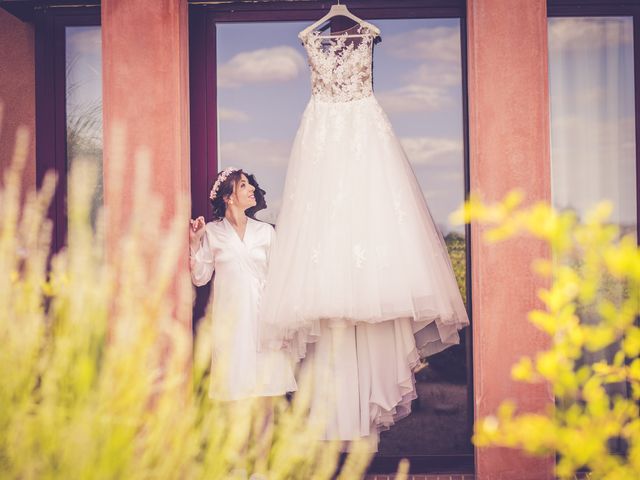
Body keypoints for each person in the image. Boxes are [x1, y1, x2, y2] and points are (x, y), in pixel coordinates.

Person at [189, 167, 297, 401]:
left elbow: (280, 279)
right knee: (236, 399)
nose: (252, 189)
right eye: (244, 185)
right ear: (228, 197)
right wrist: (196, 243)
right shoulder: (212, 232)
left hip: (264, 323)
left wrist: (282, 321)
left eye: (251, 184)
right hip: (232, 325)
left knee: (268, 396)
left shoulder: (266, 232)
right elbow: (200, 277)